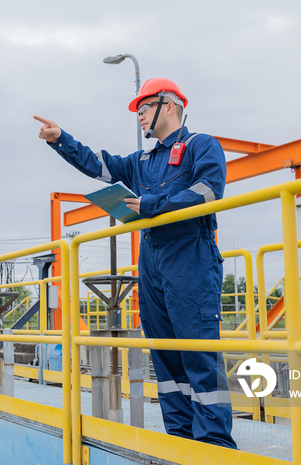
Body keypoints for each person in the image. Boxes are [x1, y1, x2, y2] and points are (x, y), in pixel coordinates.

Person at [34, 77, 236, 449]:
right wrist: (61, 139)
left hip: (191, 257)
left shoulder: (200, 146)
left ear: (168, 105)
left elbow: (209, 191)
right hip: (153, 261)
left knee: (197, 350)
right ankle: (180, 440)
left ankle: (214, 446)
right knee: (164, 351)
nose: (139, 116)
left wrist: (151, 207)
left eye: (143, 108)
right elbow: (100, 167)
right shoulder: (142, 161)